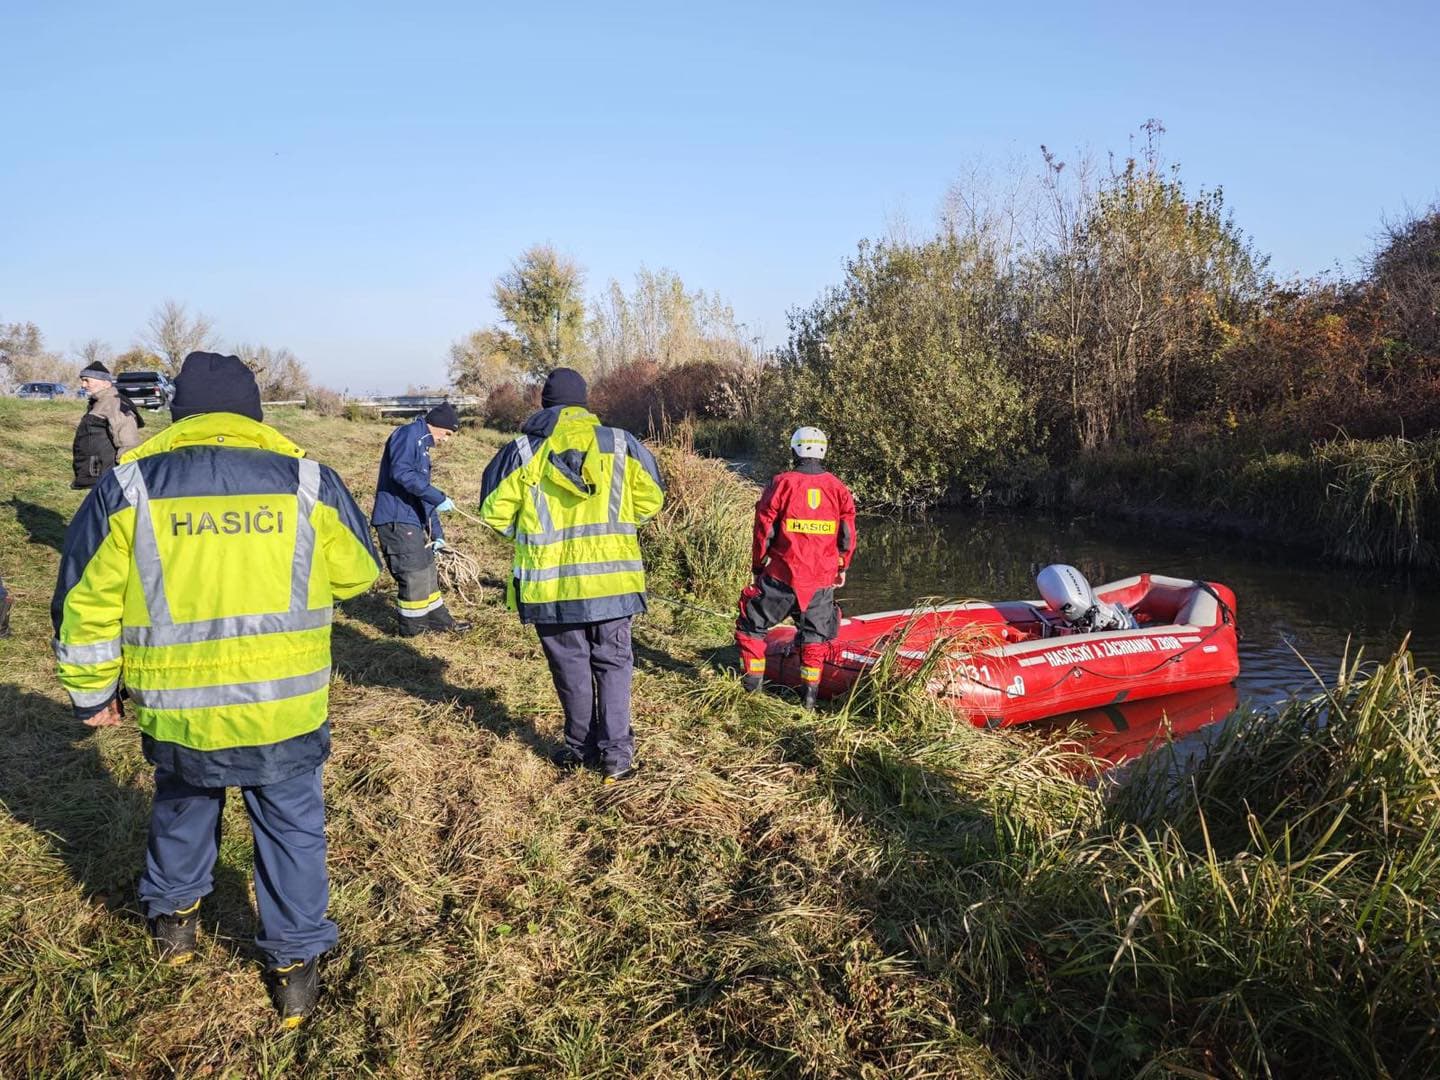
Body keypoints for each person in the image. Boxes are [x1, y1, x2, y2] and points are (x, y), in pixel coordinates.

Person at [51, 351, 381, 1027]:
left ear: (181, 414)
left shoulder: (129, 485)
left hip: (179, 710)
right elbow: (357, 575)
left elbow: (84, 599)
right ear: (255, 415)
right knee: (292, 829)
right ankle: (292, 969)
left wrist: (93, 692)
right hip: (284, 705)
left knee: (182, 805)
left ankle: (174, 922)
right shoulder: (309, 482)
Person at [478, 368, 665, 782]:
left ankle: (579, 749)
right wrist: (617, 524)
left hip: (550, 588)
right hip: (614, 584)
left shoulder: (523, 451)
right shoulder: (622, 444)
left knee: (571, 669)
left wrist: (525, 532)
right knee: (614, 665)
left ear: (544, 403)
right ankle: (617, 756)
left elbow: (493, 511)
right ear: (585, 402)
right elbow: (652, 499)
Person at [735, 426, 857, 710]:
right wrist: (842, 566)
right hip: (820, 578)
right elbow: (848, 534)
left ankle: (751, 694)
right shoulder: (838, 488)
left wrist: (758, 564)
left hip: (781, 573)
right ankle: (809, 704)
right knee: (814, 638)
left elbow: (763, 529)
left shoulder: (781, 483)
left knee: (751, 626)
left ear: (794, 450)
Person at [370, 403, 471, 636]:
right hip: (396, 519)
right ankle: (415, 632)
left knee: (426, 571)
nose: (446, 440)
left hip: (412, 520)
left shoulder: (422, 447)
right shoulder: (408, 435)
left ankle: (439, 622)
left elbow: (422, 493)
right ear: (436, 425)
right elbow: (401, 473)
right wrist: (439, 496)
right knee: (413, 574)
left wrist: (438, 535)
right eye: (447, 434)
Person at [72, 360, 143, 488]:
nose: (83, 385)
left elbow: (128, 444)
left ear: (105, 383)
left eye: (87, 380)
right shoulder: (98, 403)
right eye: (82, 380)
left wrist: (125, 478)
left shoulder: (114, 404)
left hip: (108, 479)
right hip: (96, 477)